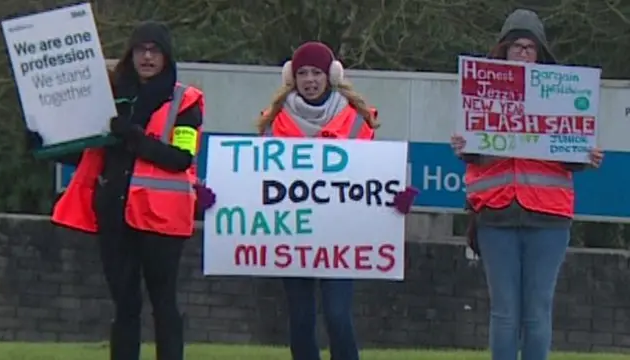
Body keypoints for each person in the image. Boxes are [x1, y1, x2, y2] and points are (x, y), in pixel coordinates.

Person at [27, 21, 214, 360]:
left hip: (162, 219)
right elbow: (88, 151)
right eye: (140, 49)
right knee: (124, 304)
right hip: (115, 213)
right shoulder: (110, 97)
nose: (146, 56)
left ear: (166, 57)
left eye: (154, 50)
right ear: (130, 54)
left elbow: (180, 157)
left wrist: (133, 137)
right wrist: (45, 143)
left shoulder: (185, 103)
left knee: (163, 304)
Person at [451, 9, 604, 360]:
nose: (522, 53)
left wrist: (586, 155)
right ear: (503, 50)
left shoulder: (563, 95)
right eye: (516, 46)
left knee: (537, 311)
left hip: (548, 216)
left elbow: (569, 155)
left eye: (529, 47)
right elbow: (476, 153)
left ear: (540, 53)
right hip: (495, 213)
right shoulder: (481, 90)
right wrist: (464, 148)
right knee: (504, 312)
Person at [256, 41, 417, 360]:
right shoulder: (274, 121)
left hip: (341, 235)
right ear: (292, 77)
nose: (310, 80)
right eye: (302, 73)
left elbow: (373, 174)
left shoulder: (355, 119)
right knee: (300, 319)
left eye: (316, 72)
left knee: (337, 315)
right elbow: (256, 178)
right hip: (293, 233)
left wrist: (398, 195)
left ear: (331, 75)